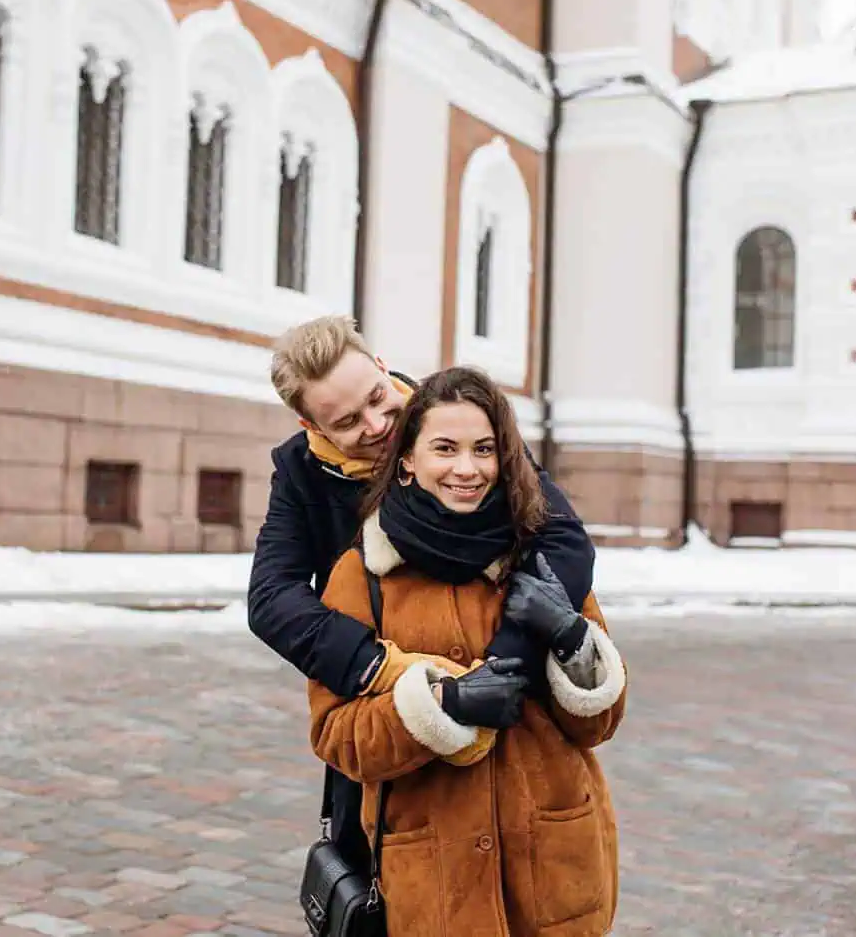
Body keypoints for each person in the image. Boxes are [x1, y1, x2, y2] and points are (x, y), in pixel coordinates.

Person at [248, 315, 595, 870]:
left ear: (382, 367)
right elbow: (271, 599)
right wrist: (389, 671)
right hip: (388, 730)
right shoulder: (302, 473)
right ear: (309, 424)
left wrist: (506, 661)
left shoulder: (460, 423)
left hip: (512, 737)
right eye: (348, 421)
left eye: (378, 398)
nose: (379, 423)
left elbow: (562, 538)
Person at [308, 366, 627, 935]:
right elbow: (337, 736)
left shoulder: (541, 551)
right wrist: (442, 707)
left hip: (555, 872)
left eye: (484, 449)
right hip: (434, 888)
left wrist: (570, 637)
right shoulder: (363, 574)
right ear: (406, 459)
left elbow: (599, 725)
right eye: (445, 448)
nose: (467, 468)